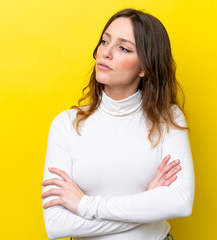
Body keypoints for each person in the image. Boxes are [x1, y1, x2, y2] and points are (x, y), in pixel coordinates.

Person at [40, 8, 195, 240]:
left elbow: (181, 203)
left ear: (145, 66)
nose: (106, 53)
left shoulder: (168, 118)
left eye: (123, 48)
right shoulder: (66, 124)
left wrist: (85, 205)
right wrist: (148, 207)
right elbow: (56, 225)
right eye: (105, 41)